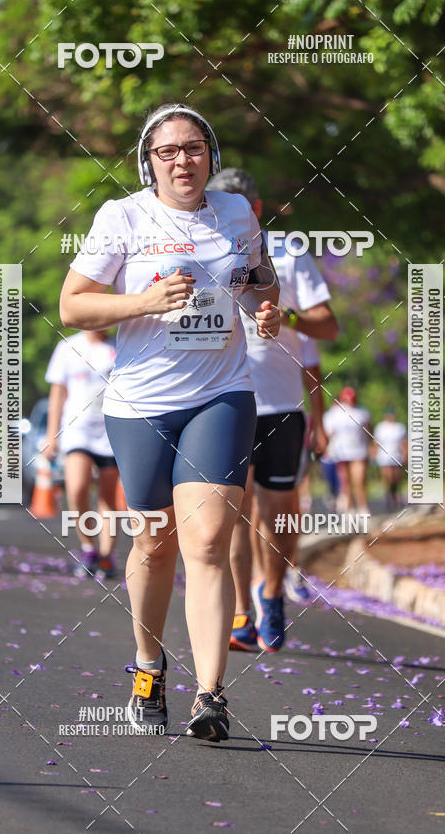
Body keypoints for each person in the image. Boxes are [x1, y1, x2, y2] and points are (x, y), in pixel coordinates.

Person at [59, 104, 280, 741]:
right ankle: (149, 667)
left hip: (223, 392)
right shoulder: (122, 217)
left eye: (193, 148)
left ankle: (209, 695)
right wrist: (145, 301)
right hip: (140, 404)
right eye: (168, 151)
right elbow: (75, 305)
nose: (182, 160)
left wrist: (267, 311)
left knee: (208, 541)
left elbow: (260, 283)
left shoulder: (237, 214)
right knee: (156, 542)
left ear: (210, 154)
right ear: (148, 161)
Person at [210, 168, 338, 651]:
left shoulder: (289, 254)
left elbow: (327, 329)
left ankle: (273, 593)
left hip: (282, 406)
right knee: (233, 513)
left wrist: (290, 318)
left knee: (278, 512)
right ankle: (242, 611)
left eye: (235, 206)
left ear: (255, 209)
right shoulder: (203, 254)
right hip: (222, 399)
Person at [43, 329, 121, 579]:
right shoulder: (67, 347)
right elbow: (58, 393)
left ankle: (107, 556)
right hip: (77, 429)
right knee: (77, 488)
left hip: (110, 430)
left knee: (107, 498)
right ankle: (89, 547)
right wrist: (51, 434)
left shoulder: (118, 344)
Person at [323, 387, 371, 514]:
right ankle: (349, 510)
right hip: (341, 453)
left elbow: (369, 431)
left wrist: (372, 447)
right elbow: (329, 432)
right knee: (345, 482)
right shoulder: (334, 414)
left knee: (359, 480)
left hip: (359, 451)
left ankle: (362, 507)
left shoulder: (362, 413)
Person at [372, 409, 407, 509]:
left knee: (396, 477)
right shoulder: (380, 427)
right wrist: (373, 454)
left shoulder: (400, 427)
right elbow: (376, 442)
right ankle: (388, 495)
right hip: (384, 456)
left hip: (396, 455)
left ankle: (396, 494)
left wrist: (406, 454)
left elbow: (404, 442)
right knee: (388, 476)